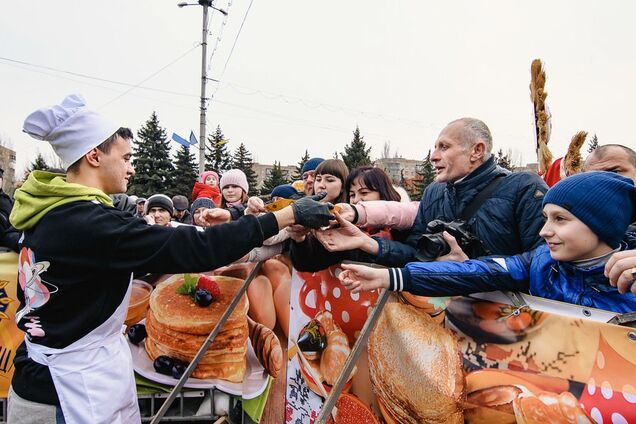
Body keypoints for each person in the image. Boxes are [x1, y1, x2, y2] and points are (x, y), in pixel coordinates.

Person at [8, 94, 334, 424]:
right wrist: (287, 215)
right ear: (94, 155)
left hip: (48, 371)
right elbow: (195, 247)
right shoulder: (91, 223)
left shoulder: (50, 210)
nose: (131, 167)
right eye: (125, 157)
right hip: (65, 393)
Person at [339, 171, 636, 314]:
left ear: (600, 224)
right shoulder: (539, 262)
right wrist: (391, 277)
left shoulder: (630, 277)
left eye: (560, 219)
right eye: (545, 219)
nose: (544, 231)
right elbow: (475, 272)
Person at [312, 118, 548, 267]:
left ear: (477, 151)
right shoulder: (434, 193)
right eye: (435, 147)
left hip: (512, 331)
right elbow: (416, 255)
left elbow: (544, 264)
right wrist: (368, 243)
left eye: (444, 147)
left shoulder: (524, 188)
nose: (433, 156)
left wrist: (472, 269)